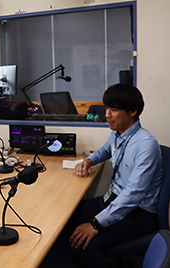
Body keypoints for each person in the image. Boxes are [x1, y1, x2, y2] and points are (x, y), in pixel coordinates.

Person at [68, 83, 162, 268]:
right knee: (70, 218)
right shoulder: (118, 134)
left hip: (138, 213)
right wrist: (88, 161)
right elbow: (103, 151)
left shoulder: (146, 145)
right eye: (106, 108)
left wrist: (95, 225)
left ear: (133, 111)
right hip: (113, 198)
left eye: (113, 110)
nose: (107, 115)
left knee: (82, 245)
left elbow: (133, 195)